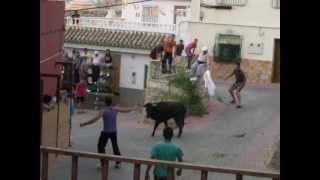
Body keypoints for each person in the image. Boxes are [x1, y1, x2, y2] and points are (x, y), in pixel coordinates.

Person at [80, 96, 139, 168]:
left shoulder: (103, 111)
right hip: (114, 132)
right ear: (111, 102)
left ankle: (103, 163)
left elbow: (94, 120)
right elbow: (126, 110)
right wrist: (134, 108)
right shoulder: (115, 109)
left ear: (105, 102)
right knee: (115, 146)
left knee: (101, 146)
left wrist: (85, 123)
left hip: (106, 132)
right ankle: (118, 162)